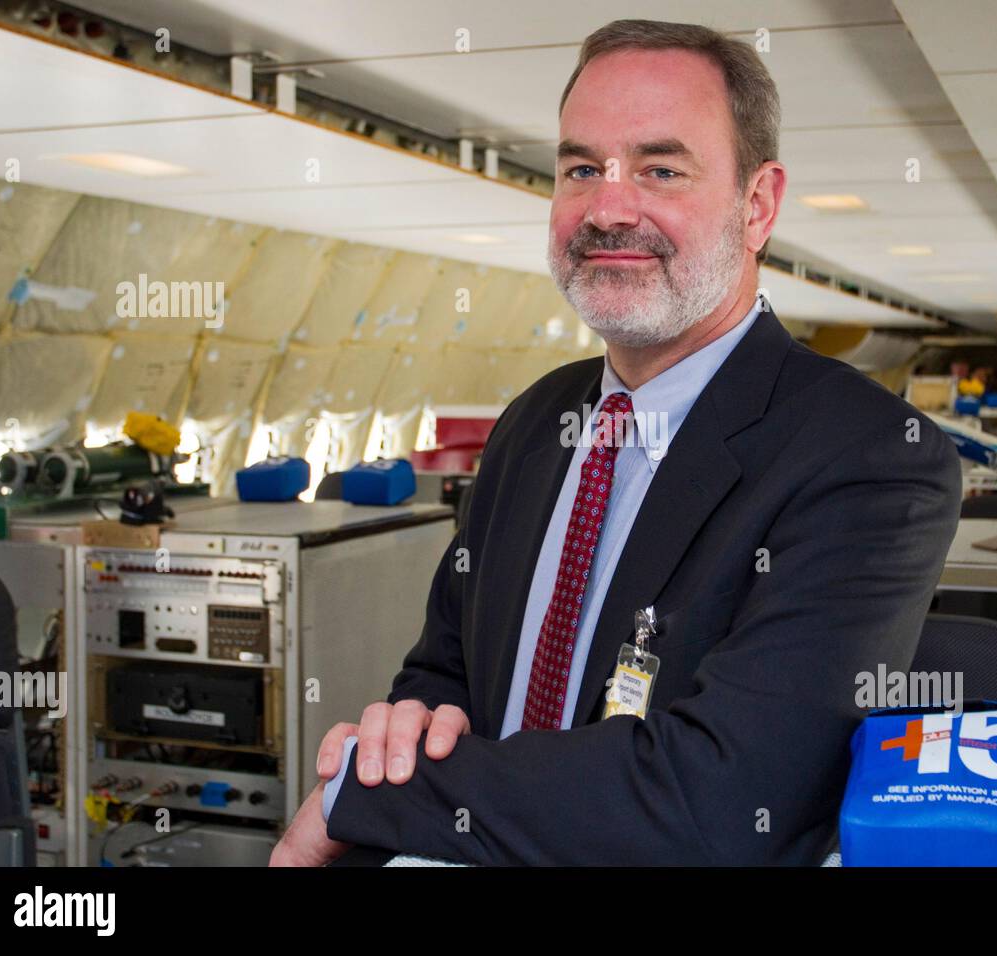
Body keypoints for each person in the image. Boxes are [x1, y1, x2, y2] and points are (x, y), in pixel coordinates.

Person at [270, 18, 961, 867]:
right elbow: (444, 678)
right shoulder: (534, 422)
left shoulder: (871, 456)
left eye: (661, 169)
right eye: (581, 168)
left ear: (758, 204)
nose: (608, 206)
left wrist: (369, 797)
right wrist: (403, 737)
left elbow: (719, 803)